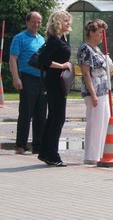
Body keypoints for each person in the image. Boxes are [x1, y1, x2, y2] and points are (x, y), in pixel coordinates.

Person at [37, 10, 73, 167]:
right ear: (57, 23)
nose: (68, 23)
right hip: (54, 82)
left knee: (53, 117)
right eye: (65, 20)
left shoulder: (62, 39)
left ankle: (45, 152)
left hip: (58, 82)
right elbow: (43, 60)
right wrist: (62, 65)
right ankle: (52, 154)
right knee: (57, 118)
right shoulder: (54, 41)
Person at [9, 11, 48, 155]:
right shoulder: (19, 38)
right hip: (27, 78)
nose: (36, 24)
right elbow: (13, 58)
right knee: (26, 112)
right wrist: (15, 77)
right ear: (27, 22)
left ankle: (37, 145)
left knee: (41, 113)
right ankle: (21, 145)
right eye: (34, 21)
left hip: (42, 79)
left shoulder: (42, 39)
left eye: (39, 22)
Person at [77, 19, 112, 164]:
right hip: (94, 91)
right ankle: (91, 156)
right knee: (95, 124)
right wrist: (93, 94)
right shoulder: (85, 48)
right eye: (99, 33)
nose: (102, 37)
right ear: (91, 33)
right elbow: (86, 73)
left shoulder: (97, 48)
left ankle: (100, 153)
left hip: (103, 89)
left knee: (104, 122)